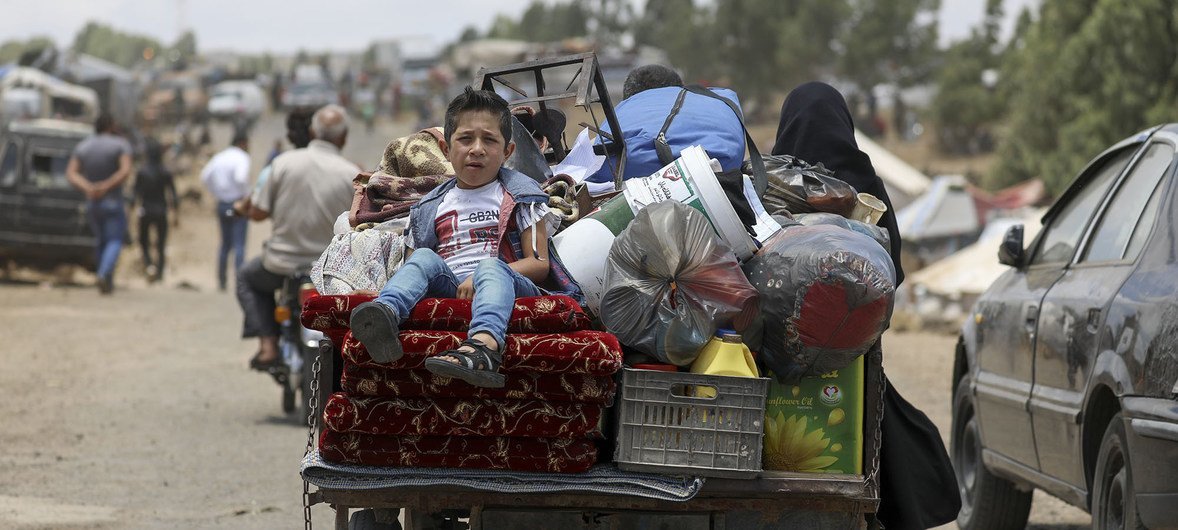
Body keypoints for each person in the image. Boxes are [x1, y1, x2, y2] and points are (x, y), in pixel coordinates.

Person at [772, 81, 959, 530]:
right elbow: (892, 270)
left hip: (773, 354)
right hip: (855, 352)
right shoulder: (865, 184)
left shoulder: (771, 179)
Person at [349, 88, 582, 389]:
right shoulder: (428, 207)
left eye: (489, 140)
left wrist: (482, 274)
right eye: (465, 139)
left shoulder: (521, 196)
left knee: (490, 267)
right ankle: (383, 315)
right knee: (423, 258)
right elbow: (416, 268)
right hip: (452, 286)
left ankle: (484, 346)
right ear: (446, 150)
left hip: (506, 283)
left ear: (507, 151)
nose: (476, 149)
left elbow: (538, 264)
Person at [237, 104, 358, 371]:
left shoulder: (281, 164)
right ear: (344, 137)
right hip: (328, 271)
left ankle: (267, 345)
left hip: (280, 264)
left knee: (247, 276)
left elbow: (258, 213)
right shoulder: (352, 174)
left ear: (313, 131)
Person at [66, 113, 133, 294]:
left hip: (93, 202)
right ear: (111, 126)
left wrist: (88, 187)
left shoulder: (84, 146)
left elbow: (71, 174)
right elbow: (125, 171)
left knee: (101, 241)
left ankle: (106, 280)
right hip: (112, 201)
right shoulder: (120, 145)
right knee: (114, 240)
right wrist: (105, 186)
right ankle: (103, 274)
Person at [200, 130, 251, 291]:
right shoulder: (242, 157)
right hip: (238, 205)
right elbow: (241, 178)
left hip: (222, 204)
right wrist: (246, 196)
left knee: (225, 245)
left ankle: (221, 281)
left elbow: (204, 176)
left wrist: (217, 192)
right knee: (239, 245)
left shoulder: (219, 157)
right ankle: (239, 282)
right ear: (243, 143)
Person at [131, 137, 178, 283]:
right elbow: (174, 195)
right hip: (161, 211)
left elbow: (135, 194)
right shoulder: (165, 172)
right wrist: (176, 214)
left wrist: (130, 210)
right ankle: (160, 273)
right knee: (161, 243)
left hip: (145, 211)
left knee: (143, 242)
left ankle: (149, 265)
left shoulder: (142, 172)